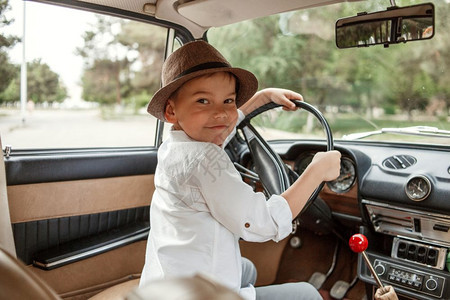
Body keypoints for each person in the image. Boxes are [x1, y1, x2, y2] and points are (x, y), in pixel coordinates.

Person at [140, 40, 341, 300]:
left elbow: (218, 126)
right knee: (308, 294)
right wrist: (316, 171)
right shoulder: (204, 160)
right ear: (171, 110)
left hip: (166, 281)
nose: (222, 114)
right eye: (203, 100)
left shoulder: (175, 146)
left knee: (248, 269)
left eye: (229, 100)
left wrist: (261, 99)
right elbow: (264, 223)